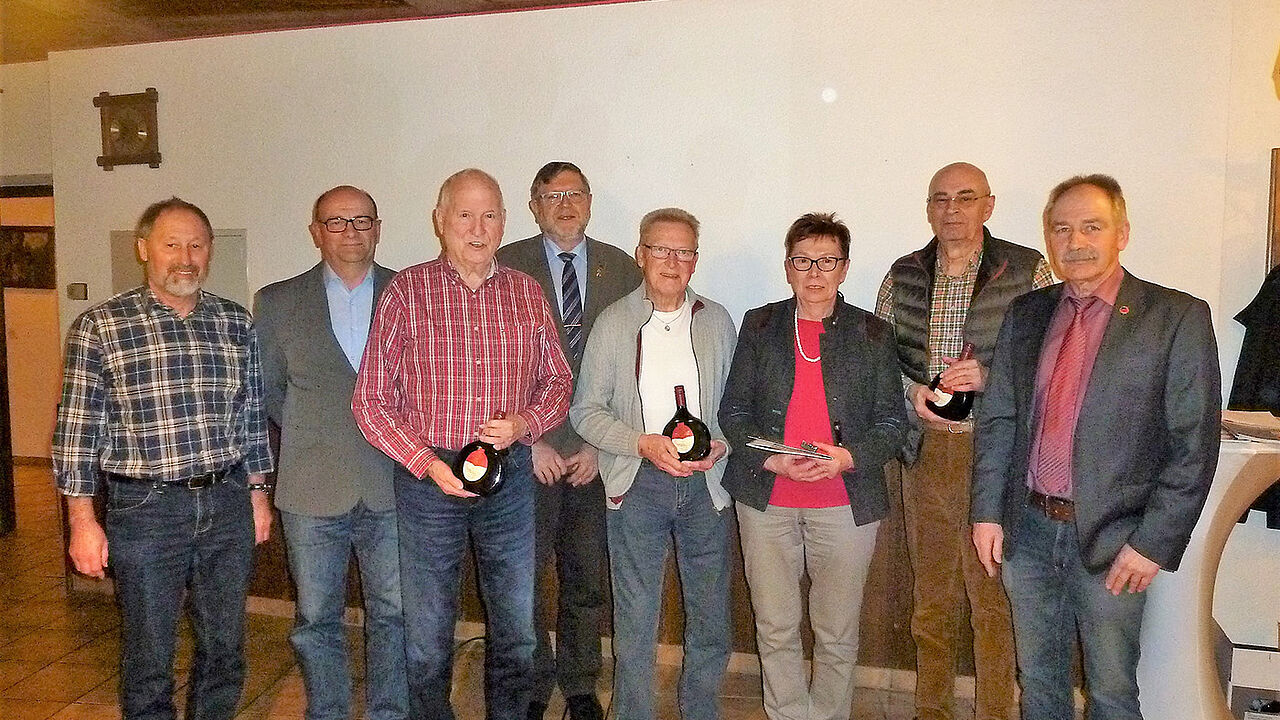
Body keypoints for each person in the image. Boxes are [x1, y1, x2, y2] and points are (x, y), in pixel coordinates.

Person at [971, 174, 1221, 720]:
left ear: (1122, 233)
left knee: (1110, 691)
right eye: (1062, 229)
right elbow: (1001, 421)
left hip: (1117, 539)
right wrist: (987, 512)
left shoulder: (1175, 317)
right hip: (1028, 531)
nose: (1075, 242)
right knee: (1038, 683)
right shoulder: (1028, 313)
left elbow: (1193, 446)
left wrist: (1153, 542)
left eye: (1092, 227)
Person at [352, 168, 573, 720]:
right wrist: (425, 463)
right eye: (465, 215)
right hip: (431, 482)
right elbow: (370, 400)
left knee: (517, 629)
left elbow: (559, 381)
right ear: (440, 221)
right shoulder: (407, 291)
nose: (478, 227)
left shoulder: (526, 292)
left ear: (504, 222)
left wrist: (525, 423)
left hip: (511, 477)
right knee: (426, 635)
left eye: (490, 215)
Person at [52, 197, 274, 720]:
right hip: (145, 510)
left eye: (196, 245)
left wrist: (258, 496)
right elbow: (76, 431)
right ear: (143, 248)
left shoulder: (235, 322)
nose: (185, 257)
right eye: (171, 243)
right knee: (150, 655)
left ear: (209, 252)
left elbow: (250, 417)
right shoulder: (101, 327)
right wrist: (82, 521)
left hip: (226, 503)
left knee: (225, 647)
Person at [875, 162, 1053, 720]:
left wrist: (992, 377)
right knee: (931, 605)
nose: (952, 210)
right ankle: (933, 712)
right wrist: (912, 394)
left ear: (989, 205)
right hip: (925, 454)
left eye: (965, 198)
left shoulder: (1029, 271)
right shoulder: (902, 274)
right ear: (929, 207)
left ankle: (995, 712)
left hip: (995, 454)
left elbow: (1057, 361)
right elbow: (881, 364)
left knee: (992, 603)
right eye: (940, 199)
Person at [719, 212, 905, 720]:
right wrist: (773, 459)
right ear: (788, 267)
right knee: (774, 627)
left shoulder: (872, 333)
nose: (815, 272)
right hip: (767, 499)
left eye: (827, 261)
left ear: (844, 269)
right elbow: (732, 413)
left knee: (837, 631)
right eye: (804, 261)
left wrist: (846, 458)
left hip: (845, 503)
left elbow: (893, 423)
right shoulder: (759, 324)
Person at [570, 207, 737, 720]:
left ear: (694, 261)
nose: (671, 260)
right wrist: (640, 443)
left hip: (707, 488)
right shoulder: (615, 322)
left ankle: (700, 711)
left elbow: (735, 407)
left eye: (683, 251)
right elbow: (585, 411)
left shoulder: (718, 319)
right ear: (641, 255)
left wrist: (722, 444)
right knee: (636, 621)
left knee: (710, 619)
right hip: (637, 484)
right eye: (660, 249)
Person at [253, 185, 407, 720]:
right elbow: (270, 392)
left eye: (362, 221)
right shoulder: (276, 302)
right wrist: (311, 431)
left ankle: (390, 712)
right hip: (310, 489)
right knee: (316, 619)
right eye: (336, 222)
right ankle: (330, 711)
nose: (350, 232)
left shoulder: (409, 293)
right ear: (316, 231)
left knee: (394, 614)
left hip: (393, 487)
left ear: (378, 228)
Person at [496, 162, 642, 720]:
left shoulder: (623, 268)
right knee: (524, 581)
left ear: (589, 202)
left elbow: (635, 367)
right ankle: (531, 689)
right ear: (533, 205)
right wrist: (528, 442)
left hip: (593, 453)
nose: (564, 204)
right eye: (551, 195)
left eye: (574, 194)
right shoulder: (507, 264)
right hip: (527, 452)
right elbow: (490, 366)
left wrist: (602, 448)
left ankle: (581, 685)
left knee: (585, 578)